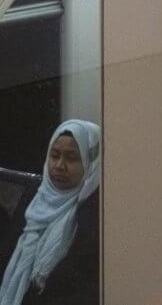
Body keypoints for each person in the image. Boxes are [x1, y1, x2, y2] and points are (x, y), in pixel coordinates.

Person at [0, 121, 100, 305]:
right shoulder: (35, 197)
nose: (59, 166)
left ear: (90, 162)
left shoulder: (95, 214)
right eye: (54, 156)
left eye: (71, 158)